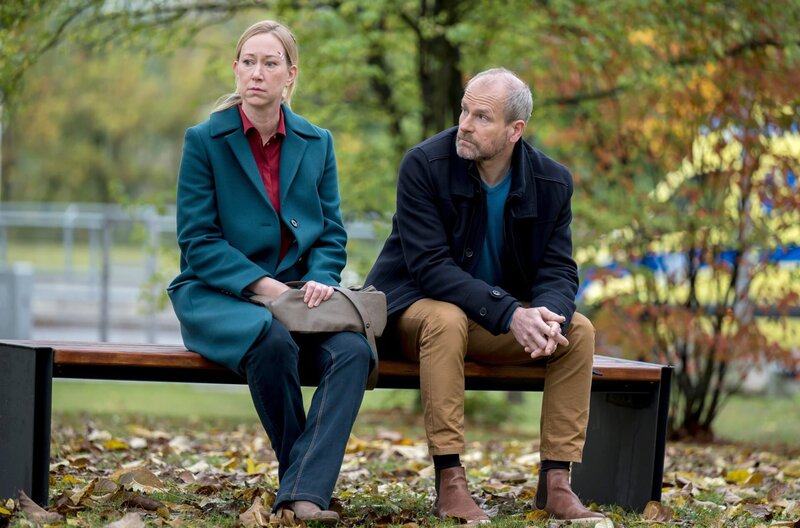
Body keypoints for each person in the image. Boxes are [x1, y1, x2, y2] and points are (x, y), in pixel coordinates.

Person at [365, 68, 605, 524]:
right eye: (464, 109)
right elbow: (430, 268)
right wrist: (513, 312)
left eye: (481, 116)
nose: (465, 124)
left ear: (515, 131)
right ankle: (450, 481)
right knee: (445, 318)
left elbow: (558, 268)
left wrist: (545, 317)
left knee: (577, 330)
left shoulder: (552, 183)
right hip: (410, 316)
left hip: (490, 322)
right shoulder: (425, 165)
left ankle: (557, 483)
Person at [168, 20, 373, 525]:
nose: (257, 73)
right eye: (249, 62)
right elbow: (197, 242)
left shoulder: (317, 141)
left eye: (270, 63)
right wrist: (263, 286)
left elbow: (331, 232)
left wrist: (323, 275)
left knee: (353, 351)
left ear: (290, 75)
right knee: (270, 341)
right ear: (236, 70)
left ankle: (302, 493)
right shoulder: (204, 141)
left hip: (300, 296)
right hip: (220, 294)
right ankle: (301, 484)